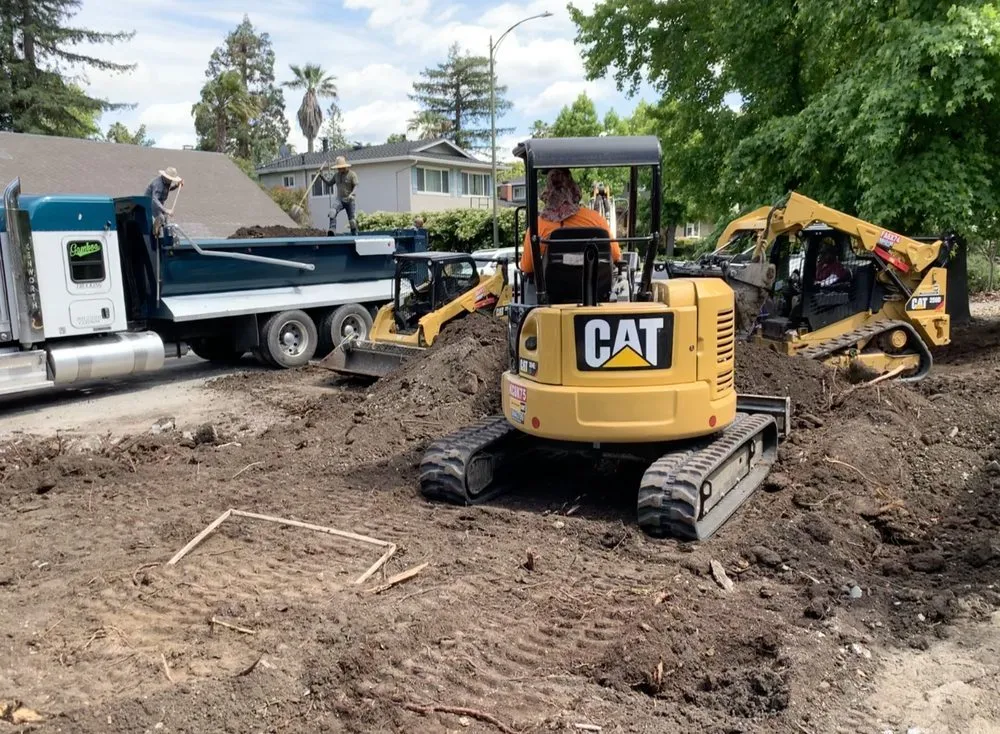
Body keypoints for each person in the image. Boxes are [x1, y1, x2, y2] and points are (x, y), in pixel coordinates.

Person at [520, 168, 620, 275]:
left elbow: (527, 267)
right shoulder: (596, 219)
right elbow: (615, 255)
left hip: (552, 290)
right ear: (573, 189)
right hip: (595, 289)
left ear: (548, 191)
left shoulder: (538, 226)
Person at [321, 156, 359, 235]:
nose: (339, 169)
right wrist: (321, 177)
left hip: (350, 200)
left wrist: (352, 193)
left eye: (340, 167)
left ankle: (354, 234)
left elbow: (356, 185)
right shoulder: (336, 175)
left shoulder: (352, 175)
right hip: (340, 199)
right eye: (338, 168)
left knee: (352, 221)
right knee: (332, 212)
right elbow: (329, 183)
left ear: (344, 167)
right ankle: (332, 230)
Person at [145, 166, 183, 235]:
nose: (171, 181)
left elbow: (167, 189)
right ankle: (155, 233)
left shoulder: (166, 182)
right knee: (161, 217)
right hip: (150, 203)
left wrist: (177, 185)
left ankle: (164, 234)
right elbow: (155, 199)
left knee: (165, 218)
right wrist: (166, 210)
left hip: (159, 203)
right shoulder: (158, 184)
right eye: (170, 179)